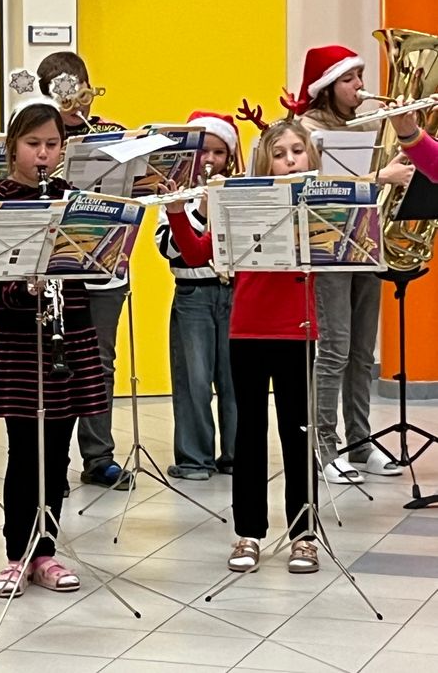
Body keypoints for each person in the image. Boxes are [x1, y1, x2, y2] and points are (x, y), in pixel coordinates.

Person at [163, 119, 322, 573]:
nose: (290, 160)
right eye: (279, 153)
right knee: (247, 433)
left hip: (298, 327)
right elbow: (198, 255)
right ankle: (247, 533)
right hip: (248, 327)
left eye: (297, 151)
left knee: (298, 432)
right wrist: (177, 210)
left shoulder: (317, 202)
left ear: (310, 156)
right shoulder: (240, 200)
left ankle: (304, 534)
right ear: (263, 160)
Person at [0, 100, 108, 597]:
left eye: (52, 145)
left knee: (57, 453)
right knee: (25, 453)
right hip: (18, 343)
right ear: (13, 149)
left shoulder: (73, 200)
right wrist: (21, 289)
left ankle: (45, 551)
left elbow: (95, 270)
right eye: (33, 145)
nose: (43, 154)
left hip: (68, 338)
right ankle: (15, 554)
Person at [297, 45, 411, 484]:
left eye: (360, 77)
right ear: (328, 87)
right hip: (329, 249)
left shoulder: (364, 126)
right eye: (350, 79)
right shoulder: (306, 129)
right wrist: (380, 177)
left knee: (364, 353)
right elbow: (319, 188)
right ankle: (325, 447)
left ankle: (360, 443)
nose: (361, 86)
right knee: (335, 351)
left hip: (366, 243)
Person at [36, 52, 130, 491]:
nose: (76, 101)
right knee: (55, 361)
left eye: (80, 88)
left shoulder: (112, 134)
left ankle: (99, 456)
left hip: (105, 262)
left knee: (101, 362)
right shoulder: (41, 141)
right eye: (62, 91)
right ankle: (48, 457)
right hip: (56, 268)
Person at [155, 111, 238, 480]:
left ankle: (236, 454)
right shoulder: (174, 196)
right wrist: (200, 212)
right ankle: (194, 458)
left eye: (219, 152)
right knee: (194, 380)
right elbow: (170, 248)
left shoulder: (239, 191)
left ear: (230, 158)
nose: (210, 160)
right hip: (193, 293)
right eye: (203, 151)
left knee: (235, 380)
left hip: (234, 293)